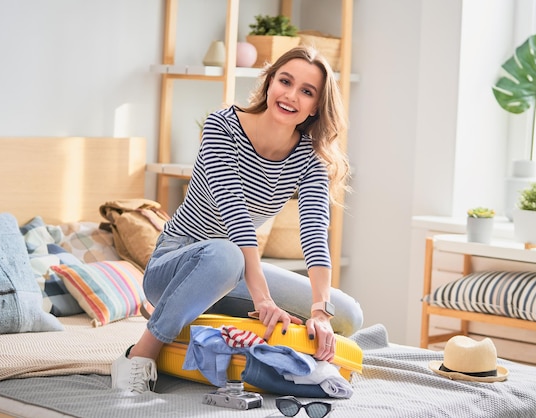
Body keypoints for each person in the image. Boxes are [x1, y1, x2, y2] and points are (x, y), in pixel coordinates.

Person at [111, 46, 363, 394]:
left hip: (237, 271)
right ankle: (139, 355)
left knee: (347, 315)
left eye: (307, 91)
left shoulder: (310, 158)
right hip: (177, 262)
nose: (291, 95)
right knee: (226, 255)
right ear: (269, 81)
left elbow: (314, 234)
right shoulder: (222, 126)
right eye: (285, 81)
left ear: (317, 105)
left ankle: (187, 315)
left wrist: (320, 311)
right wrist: (263, 299)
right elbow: (237, 220)